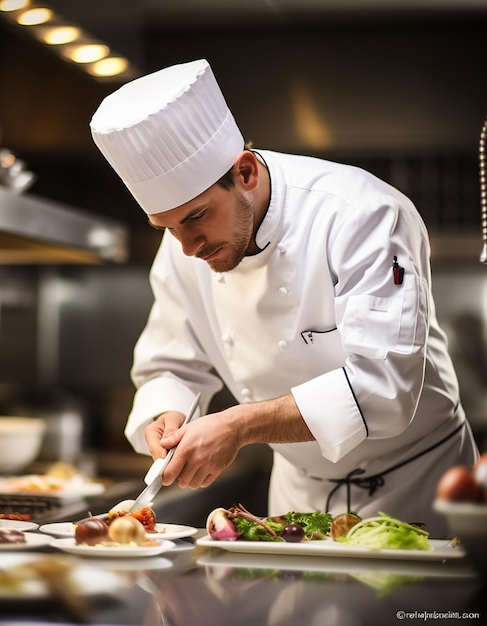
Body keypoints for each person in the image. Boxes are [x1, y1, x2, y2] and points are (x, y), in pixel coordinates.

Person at [90, 59, 479, 534]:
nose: (187, 247)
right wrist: (166, 413)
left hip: (417, 489)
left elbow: (385, 390)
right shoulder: (184, 245)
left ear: (246, 172)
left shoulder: (362, 215)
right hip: (297, 495)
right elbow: (171, 363)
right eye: (166, 228)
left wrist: (239, 426)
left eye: (195, 217)